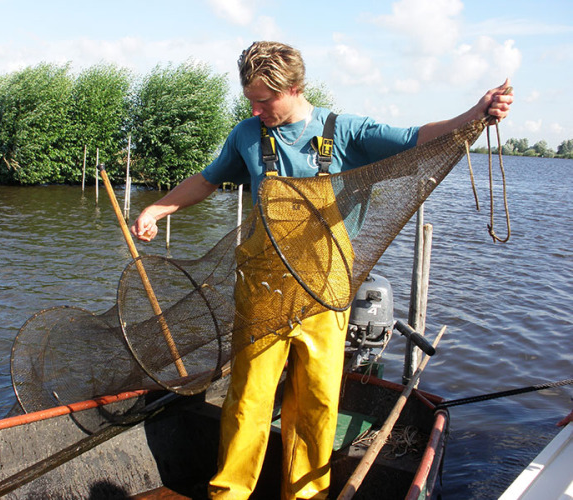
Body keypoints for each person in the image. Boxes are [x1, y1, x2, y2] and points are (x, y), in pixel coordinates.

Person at [131, 41, 513, 500]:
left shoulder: (347, 131)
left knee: (315, 403)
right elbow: (207, 180)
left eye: (265, 99)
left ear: (294, 88)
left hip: (326, 291)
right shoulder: (247, 135)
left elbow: (417, 139)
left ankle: (305, 495)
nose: (256, 108)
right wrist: (157, 209)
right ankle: (228, 493)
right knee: (248, 400)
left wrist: (474, 114)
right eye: (250, 98)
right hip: (263, 289)